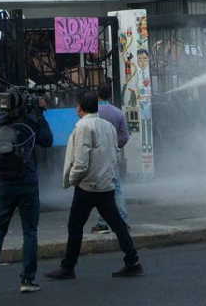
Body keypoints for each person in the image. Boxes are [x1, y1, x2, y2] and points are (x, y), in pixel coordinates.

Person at [45, 92, 143, 280]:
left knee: (75, 226)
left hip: (87, 186)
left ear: (81, 108)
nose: (75, 108)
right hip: (105, 185)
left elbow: (81, 161)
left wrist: (72, 180)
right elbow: (113, 153)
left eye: (77, 106)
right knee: (118, 225)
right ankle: (133, 261)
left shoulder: (83, 127)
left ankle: (68, 267)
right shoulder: (107, 126)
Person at [0, 85, 53, 295]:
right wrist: (39, 113)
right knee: (30, 231)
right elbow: (47, 140)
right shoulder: (29, 121)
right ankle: (27, 279)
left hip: (2, 184)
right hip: (27, 182)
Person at [93, 83, 130, 233]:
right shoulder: (118, 113)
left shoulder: (94, 113)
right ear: (110, 95)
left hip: (96, 156)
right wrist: (117, 146)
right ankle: (122, 219)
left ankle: (102, 222)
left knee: (99, 189)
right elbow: (125, 136)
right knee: (117, 188)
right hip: (113, 155)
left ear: (98, 95)